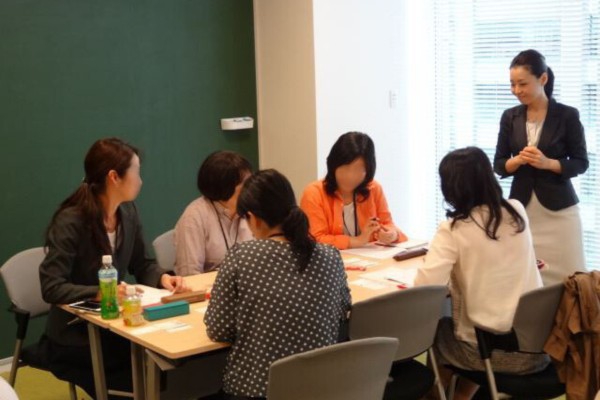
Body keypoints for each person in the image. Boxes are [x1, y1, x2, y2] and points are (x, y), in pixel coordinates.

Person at [39, 137, 187, 398]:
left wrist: (163, 278)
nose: (140, 181)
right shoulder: (71, 220)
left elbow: (142, 263)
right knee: (144, 374)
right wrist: (100, 292)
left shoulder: (128, 212)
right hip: (76, 335)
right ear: (114, 177)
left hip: (117, 325)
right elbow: (51, 287)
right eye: (136, 173)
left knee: (171, 362)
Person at [205, 169, 351, 400]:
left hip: (256, 391)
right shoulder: (329, 255)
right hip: (319, 389)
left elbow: (219, 330)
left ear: (253, 218)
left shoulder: (242, 257)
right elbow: (343, 311)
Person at [415, 147, 549, 400]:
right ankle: (462, 396)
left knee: (440, 333)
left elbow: (423, 288)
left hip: (495, 353)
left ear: (451, 188)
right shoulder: (517, 211)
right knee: (473, 327)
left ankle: (436, 396)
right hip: (540, 347)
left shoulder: (454, 229)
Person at [494, 49, 589, 285]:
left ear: (543, 79)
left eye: (522, 84)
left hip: (560, 212)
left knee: (571, 280)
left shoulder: (567, 115)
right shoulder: (509, 117)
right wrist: (517, 160)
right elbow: (499, 165)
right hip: (522, 212)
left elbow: (581, 162)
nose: (516, 90)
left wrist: (548, 163)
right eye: (512, 84)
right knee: (527, 280)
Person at [300, 131, 407, 250]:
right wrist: (358, 241)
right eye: (345, 168)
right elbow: (315, 240)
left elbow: (387, 223)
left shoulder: (373, 188)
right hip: (333, 261)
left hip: (370, 259)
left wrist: (391, 234)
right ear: (333, 165)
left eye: (358, 170)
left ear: (368, 170)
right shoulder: (314, 193)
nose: (350, 176)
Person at [174, 151, 253, 275]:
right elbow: (189, 275)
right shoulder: (194, 217)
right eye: (245, 185)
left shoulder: (252, 211)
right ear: (225, 187)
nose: (251, 189)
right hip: (210, 286)